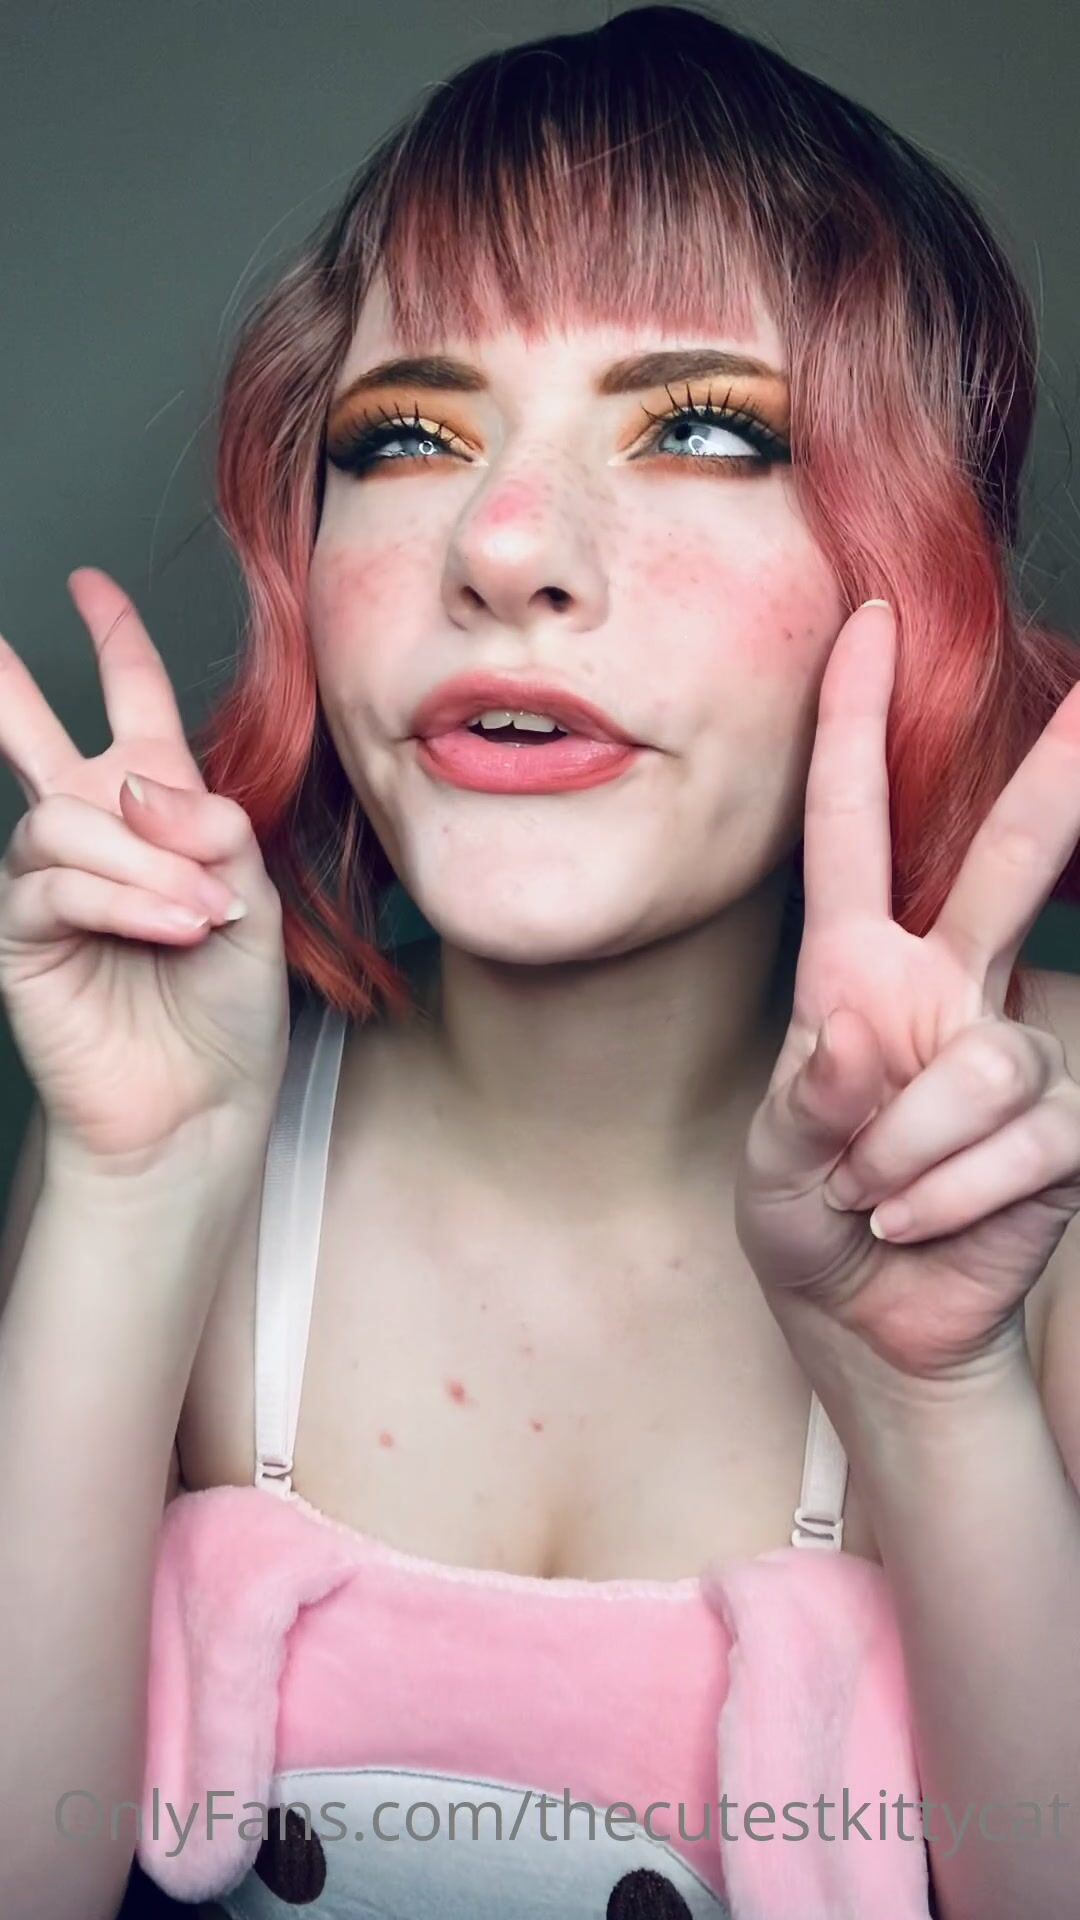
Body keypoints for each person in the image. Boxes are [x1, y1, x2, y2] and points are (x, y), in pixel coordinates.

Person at [1, 5, 1078, 1917]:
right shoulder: (185, 1123)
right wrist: (134, 1190)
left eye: (703, 430)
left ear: (918, 562)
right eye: (410, 434)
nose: (503, 544)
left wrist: (938, 1402)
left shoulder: (1041, 1168)